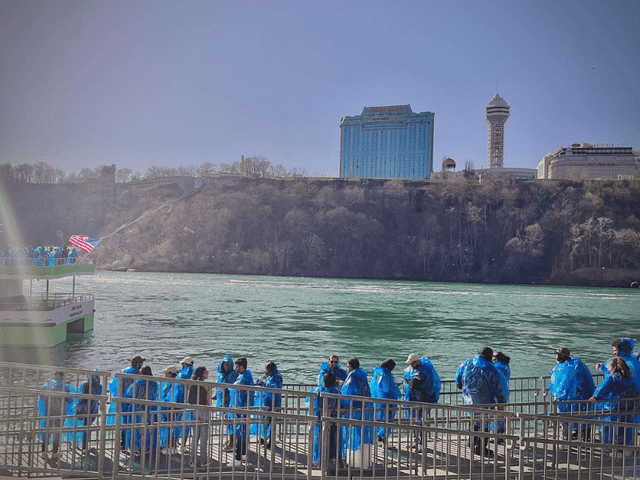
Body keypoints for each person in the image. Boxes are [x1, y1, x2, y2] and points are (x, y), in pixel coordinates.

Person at [455, 347, 505, 457]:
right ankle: (481, 447)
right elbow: (499, 388)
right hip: (487, 403)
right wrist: (501, 405)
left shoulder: (467, 364)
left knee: (473, 421)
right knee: (485, 425)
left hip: (471, 401)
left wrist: (465, 390)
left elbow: (458, 380)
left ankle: (471, 442)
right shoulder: (492, 369)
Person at [548, 346, 596, 440]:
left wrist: (558, 395)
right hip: (576, 395)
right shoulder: (571, 364)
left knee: (577, 415)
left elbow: (564, 383)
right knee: (581, 415)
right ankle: (579, 434)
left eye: (559, 354)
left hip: (575, 395)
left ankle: (581, 435)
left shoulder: (571, 366)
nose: (556, 357)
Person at [590, 357, 640, 446]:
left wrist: (595, 398)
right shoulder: (631, 379)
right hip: (628, 409)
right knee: (626, 430)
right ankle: (626, 447)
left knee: (610, 430)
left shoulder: (612, 379)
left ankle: (610, 447)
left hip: (613, 409)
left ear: (612, 367)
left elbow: (601, 389)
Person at [402, 353, 441, 449]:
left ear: (416, 362)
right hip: (419, 399)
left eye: (411, 363)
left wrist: (408, 382)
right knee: (417, 421)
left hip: (422, 400)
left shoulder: (422, 372)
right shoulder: (422, 369)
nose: (410, 365)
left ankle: (421, 443)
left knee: (420, 421)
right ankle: (418, 441)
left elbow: (416, 383)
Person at [107, 355, 145, 450]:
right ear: (138, 364)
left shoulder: (124, 371)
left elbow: (113, 385)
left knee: (124, 423)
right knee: (134, 423)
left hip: (121, 401)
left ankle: (123, 444)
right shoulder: (137, 373)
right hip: (132, 402)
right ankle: (132, 445)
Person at [340, 358, 373, 467]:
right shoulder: (363, 375)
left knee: (353, 434)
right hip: (364, 409)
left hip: (353, 409)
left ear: (350, 366)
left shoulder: (352, 376)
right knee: (363, 435)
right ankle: (365, 462)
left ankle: (355, 462)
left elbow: (346, 391)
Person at [37, 371, 75, 462]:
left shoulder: (47, 386)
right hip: (60, 413)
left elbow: (41, 398)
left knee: (46, 432)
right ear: (63, 377)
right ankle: (54, 453)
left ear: (54, 376)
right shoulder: (65, 387)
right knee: (57, 433)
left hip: (48, 413)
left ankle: (43, 452)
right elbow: (70, 401)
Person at [124, 365, 159, 455]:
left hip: (136, 408)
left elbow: (129, 394)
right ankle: (147, 447)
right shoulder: (154, 384)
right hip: (150, 409)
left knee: (135, 428)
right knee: (147, 429)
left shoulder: (137, 383)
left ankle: (136, 448)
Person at [227, 357, 254, 467]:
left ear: (242, 367)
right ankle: (242, 454)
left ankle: (237, 459)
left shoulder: (243, 379)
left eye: (237, 367)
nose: (235, 368)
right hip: (244, 409)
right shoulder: (246, 376)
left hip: (241, 409)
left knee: (239, 434)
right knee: (242, 433)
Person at [369, 358, 401, 443]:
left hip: (378, 400)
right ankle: (383, 439)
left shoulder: (378, 373)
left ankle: (378, 438)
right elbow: (387, 389)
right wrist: (395, 386)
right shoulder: (386, 374)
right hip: (387, 400)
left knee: (379, 419)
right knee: (387, 420)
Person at [312, 372, 340, 465]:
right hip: (335, 420)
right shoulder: (337, 391)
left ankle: (322, 460)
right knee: (334, 440)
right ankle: (333, 458)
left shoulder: (321, 392)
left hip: (321, 420)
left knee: (322, 439)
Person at [254, 361, 283, 448]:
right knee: (264, 421)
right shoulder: (268, 377)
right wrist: (261, 380)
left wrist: (264, 382)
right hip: (266, 401)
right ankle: (263, 437)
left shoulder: (277, 377)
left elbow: (275, 387)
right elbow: (260, 381)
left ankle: (271, 441)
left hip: (274, 402)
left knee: (272, 422)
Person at [188, 366, 211, 468]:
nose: (208, 374)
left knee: (195, 437)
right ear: (203, 374)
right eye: (206, 372)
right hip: (204, 410)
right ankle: (203, 461)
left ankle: (192, 460)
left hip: (194, 410)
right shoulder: (206, 385)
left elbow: (188, 399)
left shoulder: (191, 384)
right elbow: (208, 401)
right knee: (204, 437)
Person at [216, 355, 239, 452]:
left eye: (227, 364)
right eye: (224, 364)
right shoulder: (221, 375)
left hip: (230, 403)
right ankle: (231, 440)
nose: (225, 366)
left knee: (231, 423)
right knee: (227, 423)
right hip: (223, 402)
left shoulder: (233, 375)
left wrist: (227, 398)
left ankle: (232, 442)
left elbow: (233, 389)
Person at [76, 372, 102, 452]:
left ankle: (81, 445)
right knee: (88, 427)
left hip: (82, 409)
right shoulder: (99, 387)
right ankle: (85, 446)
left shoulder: (84, 384)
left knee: (83, 427)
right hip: (93, 410)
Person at [159, 365, 179, 454]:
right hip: (173, 408)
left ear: (170, 374)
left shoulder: (171, 384)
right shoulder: (176, 383)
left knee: (169, 427)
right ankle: (172, 446)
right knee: (172, 427)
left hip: (169, 409)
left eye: (166, 373)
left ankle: (169, 446)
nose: (165, 374)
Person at [492, 352, 511, 436]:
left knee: (496, 413)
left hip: (497, 392)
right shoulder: (506, 367)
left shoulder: (497, 366)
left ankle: (497, 433)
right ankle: (501, 432)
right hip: (504, 392)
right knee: (501, 412)